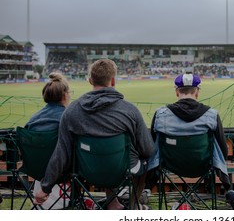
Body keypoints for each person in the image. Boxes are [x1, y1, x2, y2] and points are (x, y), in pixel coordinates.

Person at [34, 59, 155, 210]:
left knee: (100, 156)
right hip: (123, 172)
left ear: (90, 80)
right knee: (146, 159)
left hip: (86, 173)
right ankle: (133, 206)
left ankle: (113, 203)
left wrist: (45, 188)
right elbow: (148, 150)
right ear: (113, 80)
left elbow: (61, 154)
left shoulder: (71, 111)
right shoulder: (130, 111)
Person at [147, 73, 234, 210]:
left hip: (170, 165)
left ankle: (146, 194)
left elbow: (151, 145)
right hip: (203, 164)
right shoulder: (211, 115)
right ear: (197, 92)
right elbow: (223, 148)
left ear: (177, 92)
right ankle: (228, 193)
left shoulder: (161, 114)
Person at [25, 72, 72, 209]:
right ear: (64, 95)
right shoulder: (68, 117)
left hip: (37, 170)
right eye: (69, 92)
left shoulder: (33, 119)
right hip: (63, 171)